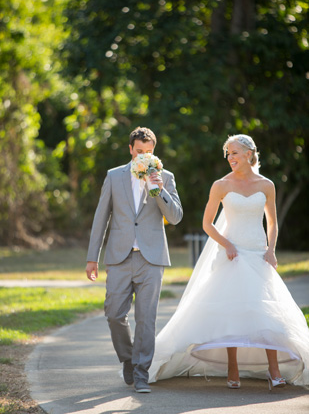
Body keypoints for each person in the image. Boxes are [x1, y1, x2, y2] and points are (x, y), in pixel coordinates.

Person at [148, 134, 309, 390]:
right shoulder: (220, 185)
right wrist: (227, 245)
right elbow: (207, 224)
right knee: (232, 311)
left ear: (249, 153)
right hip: (232, 254)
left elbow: (273, 223)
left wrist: (271, 250)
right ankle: (232, 367)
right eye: (228, 154)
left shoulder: (266, 185)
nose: (230, 158)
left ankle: (274, 370)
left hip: (258, 253)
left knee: (265, 310)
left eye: (235, 153)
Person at [85, 126, 183, 394]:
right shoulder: (114, 177)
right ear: (130, 149)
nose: (144, 157)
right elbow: (100, 218)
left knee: (146, 318)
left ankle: (141, 373)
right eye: (140, 152)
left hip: (152, 259)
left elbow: (175, 217)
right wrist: (92, 257)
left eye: (149, 152)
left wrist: (159, 190)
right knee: (114, 314)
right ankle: (128, 359)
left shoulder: (166, 177)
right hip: (119, 256)